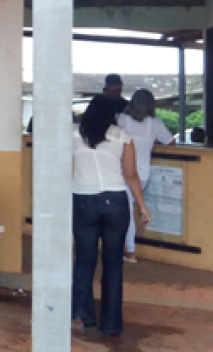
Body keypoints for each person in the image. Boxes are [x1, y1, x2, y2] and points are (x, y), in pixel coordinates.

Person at [72, 95, 151, 336]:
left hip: (84, 201)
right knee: (113, 263)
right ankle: (112, 324)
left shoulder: (73, 134)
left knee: (85, 261)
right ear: (111, 115)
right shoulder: (121, 136)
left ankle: (83, 317)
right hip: (116, 202)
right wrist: (142, 205)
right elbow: (131, 175)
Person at [116, 89, 173, 262]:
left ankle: (131, 251)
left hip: (122, 172)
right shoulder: (155, 123)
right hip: (143, 175)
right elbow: (171, 142)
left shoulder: (121, 119)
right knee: (129, 209)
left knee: (125, 211)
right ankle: (129, 247)